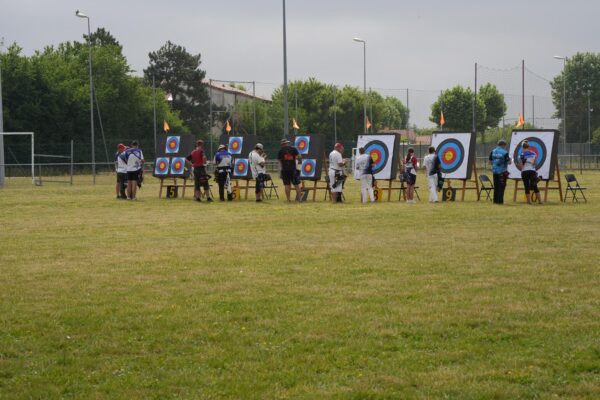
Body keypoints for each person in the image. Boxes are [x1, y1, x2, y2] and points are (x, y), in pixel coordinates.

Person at [519, 140, 542, 205]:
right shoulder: (533, 153)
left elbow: (521, 165)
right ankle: (540, 201)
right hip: (532, 171)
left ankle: (529, 202)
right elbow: (535, 163)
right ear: (528, 146)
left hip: (525, 171)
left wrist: (520, 167)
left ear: (522, 147)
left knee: (526, 186)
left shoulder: (522, 154)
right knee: (535, 185)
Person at [489, 139, 511, 204]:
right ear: (503, 145)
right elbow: (509, 162)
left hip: (495, 171)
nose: (505, 147)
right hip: (502, 172)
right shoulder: (505, 152)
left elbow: (490, 162)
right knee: (502, 186)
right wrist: (510, 160)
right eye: (505, 146)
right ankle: (500, 201)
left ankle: (495, 200)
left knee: (496, 186)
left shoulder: (492, 151)